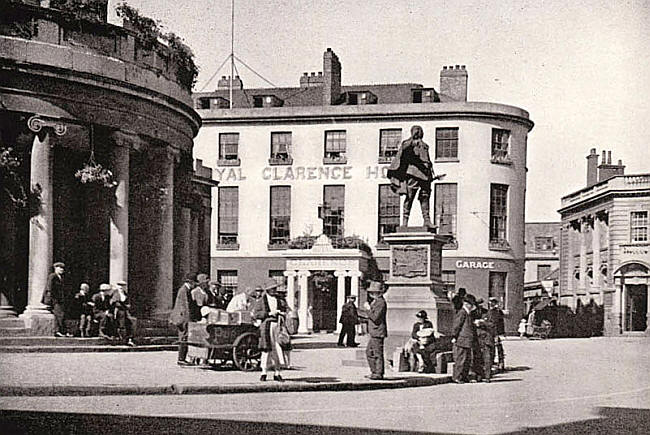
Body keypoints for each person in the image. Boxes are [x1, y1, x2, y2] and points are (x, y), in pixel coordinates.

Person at [387, 125, 445, 227]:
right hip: (414, 172)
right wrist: (412, 141)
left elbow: (427, 161)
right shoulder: (409, 143)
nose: (418, 132)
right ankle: (404, 222)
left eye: (420, 131)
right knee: (410, 196)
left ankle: (427, 220)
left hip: (425, 174)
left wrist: (432, 175)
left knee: (425, 196)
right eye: (416, 131)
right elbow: (404, 149)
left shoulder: (425, 146)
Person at [252, 280, 286, 382]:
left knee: (278, 349)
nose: (274, 290)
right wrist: (269, 313)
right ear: (268, 290)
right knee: (266, 350)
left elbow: (286, 310)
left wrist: (281, 313)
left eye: (275, 288)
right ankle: (264, 372)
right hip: (267, 326)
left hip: (278, 325)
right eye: (272, 289)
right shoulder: (261, 301)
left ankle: (277, 372)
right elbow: (256, 314)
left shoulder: (280, 300)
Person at [170, 273, 196, 366]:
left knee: (184, 337)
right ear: (191, 282)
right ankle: (181, 359)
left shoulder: (185, 290)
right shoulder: (184, 290)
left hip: (182, 316)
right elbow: (186, 307)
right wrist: (190, 320)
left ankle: (182, 358)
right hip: (182, 318)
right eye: (194, 283)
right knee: (184, 338)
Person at [364, 281, 387, 380]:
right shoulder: (376, 302)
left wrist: (368, 309)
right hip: (374, 331)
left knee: (377, 353)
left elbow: (375, 317)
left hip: (378, 332)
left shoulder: (381, 302)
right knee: (369, 352)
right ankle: (374, 372)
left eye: (372, 292)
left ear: (378, 293)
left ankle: (378, 373)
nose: (371, 294)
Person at [451, 294, 477, 384]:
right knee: (461, 359)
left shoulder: (468, 313)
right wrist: (454, 336)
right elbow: (457, 326)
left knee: (467, 360)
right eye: (471, 304)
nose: (472, 306)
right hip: (462, 340)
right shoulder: (462, 312)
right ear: (466, 304)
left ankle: (464, 377)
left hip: (467, 340)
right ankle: (457, 377)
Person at [42, 262, 68, 337]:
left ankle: (61, 331)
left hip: (59, 299)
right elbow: (49, 287)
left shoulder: (60, 277)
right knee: (60, 314)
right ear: (55, 268)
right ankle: (58, 331)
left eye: (63, 268)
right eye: (60, 268)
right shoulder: (53, 276)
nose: (62, 270)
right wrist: (49, 299)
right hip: (54, 300)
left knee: (60, 315)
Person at [474, 302, 496, 382]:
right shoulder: (472, 313)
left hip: (486, 339)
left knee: (487, 359)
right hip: (477, 339)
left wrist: (483, 323)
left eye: (480, 306)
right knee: (477, 359)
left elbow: (492, 324)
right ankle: (478, 376)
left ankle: (487, 376)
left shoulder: (488, 313)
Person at [110, 281, 136, 346]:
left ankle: (129, 338)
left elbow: (128, 302)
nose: (121, 287)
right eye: (119, 285)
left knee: (131, 322)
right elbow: (114, 302)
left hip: (125, 311)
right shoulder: (115, 293)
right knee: (121, 323)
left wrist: (128, 306)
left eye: (123, 285)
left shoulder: (125, 294)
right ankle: (121, 339)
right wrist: (123, 306)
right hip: (118, 310)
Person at [488, 298, 506, 371]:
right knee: (492, 348)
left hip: (495, 332)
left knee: (498, 348)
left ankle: (501, 363)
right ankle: (493, 363)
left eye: (492, 302)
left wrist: (500, 333)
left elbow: (499, 323)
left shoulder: (497, 311)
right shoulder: (489, 311)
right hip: (490, 332)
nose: (490, 304)